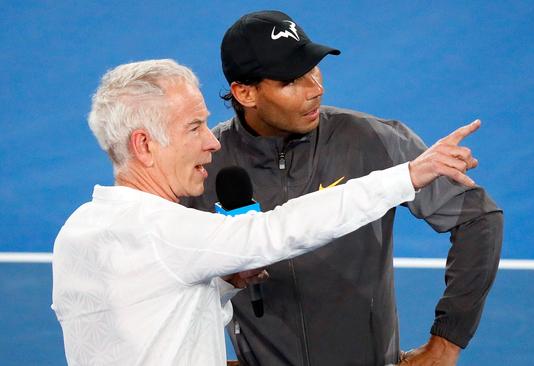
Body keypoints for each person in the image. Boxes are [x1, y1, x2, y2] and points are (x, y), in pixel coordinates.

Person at [51, 59, 484, 366]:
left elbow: (151, 307)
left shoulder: (80, 230)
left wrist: (221, 288)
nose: (212, 142)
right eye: (193, 127)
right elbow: (280, 231)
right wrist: (405, 175)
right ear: (144, 145)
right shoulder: (166, 233)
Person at [185, 10, 504, 366]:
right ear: (245, 93)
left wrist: (447, 342)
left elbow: (479, 219)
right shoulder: (203, 166)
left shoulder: (372, 140)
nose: (315, 89)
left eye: (313, 69)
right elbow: (161, 274)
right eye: (291, 81)